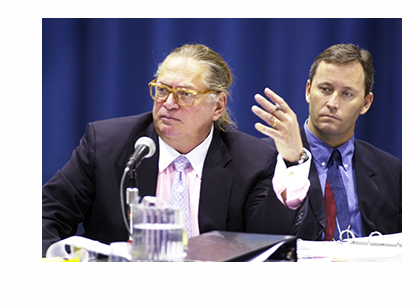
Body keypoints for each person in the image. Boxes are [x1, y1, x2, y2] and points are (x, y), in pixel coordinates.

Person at [42, 43, 312, 256]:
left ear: (218, 106)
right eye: (161, 90)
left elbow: (269, 242)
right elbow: (46, 216)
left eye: (185, 94)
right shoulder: (107, 144)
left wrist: (291, 160)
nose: (169, 103)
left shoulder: (252, 160)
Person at [268, 43, 401, 241]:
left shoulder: (391, 171)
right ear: (308, 90)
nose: (332, 103)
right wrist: (293, 163)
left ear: (366, 103)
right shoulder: (266, 160)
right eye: (325, 89)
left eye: (347, 94)